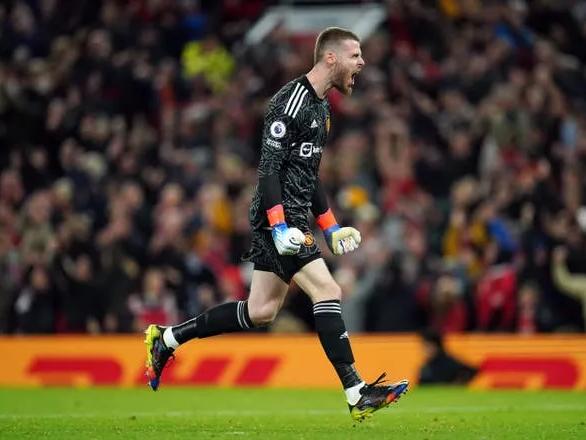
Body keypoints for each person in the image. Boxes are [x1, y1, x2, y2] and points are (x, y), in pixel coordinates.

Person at [143, 27, 409, 422]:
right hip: (277, 217)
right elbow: (268, 170)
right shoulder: (290, 102)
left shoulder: (322, 108)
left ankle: (166, 339)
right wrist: (280, 225)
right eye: (355, 55)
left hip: (294, 217)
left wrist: (332, 226)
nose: (362, 63)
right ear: (330, 58)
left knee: (261, 309)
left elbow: (309, 173)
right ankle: (356, 391)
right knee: (328, 288)